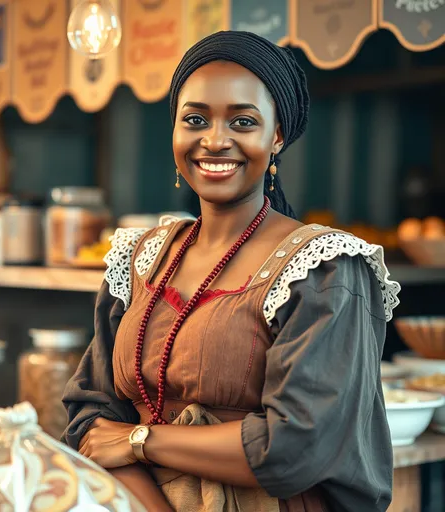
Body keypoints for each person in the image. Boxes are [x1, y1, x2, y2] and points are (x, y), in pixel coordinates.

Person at [62, 31, 401, 512]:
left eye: (243, 121)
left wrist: (140, 439)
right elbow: (90, 416)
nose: (215, 140)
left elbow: (296, 447)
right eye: (195, 119)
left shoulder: (324, 268)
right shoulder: (141, 257)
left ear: (276, 136)